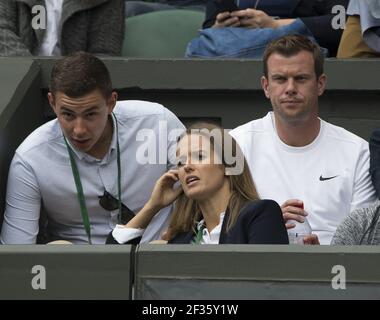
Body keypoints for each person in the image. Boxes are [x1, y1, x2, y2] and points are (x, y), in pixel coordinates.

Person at [0, 52, 185, 244]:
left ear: (111, 102)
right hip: (77, 270)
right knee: (60, 248)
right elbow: (16, 250)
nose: (79, 130)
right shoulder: (30, 158)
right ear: (52, 103)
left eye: (90, 115)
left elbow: (206, 198)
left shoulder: (159, 123)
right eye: (68, 115)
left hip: (157, 258)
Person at [229, 34, 377, 245]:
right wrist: (266, 225)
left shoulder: (357, 152)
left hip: (334, 272)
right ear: (265, 86)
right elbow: (219, 229)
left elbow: (364, 240)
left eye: (301, 78)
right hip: (256, 270)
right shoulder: (237, 144)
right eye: (280, 79)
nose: (290, 88)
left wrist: (322, 256)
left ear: (320, 84)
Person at [106, 123, 289, 244]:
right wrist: (153, 206)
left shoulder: (259, 215)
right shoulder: (182, 237)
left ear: (228, 164)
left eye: (199, 156)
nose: (186, 167)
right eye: (181, 162)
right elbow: (111, 263)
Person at [202, 0, 348, 57]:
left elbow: (340, 25)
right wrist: (220, 27)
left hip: (296, 52)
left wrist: (274, 25)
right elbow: (209, 28)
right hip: (233, 51)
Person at [0, 0, 125, 56]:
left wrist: (67, 79)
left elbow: (105, 53)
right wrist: (31, 70)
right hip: (17, 76)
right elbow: (3, 32)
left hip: (77, 90)